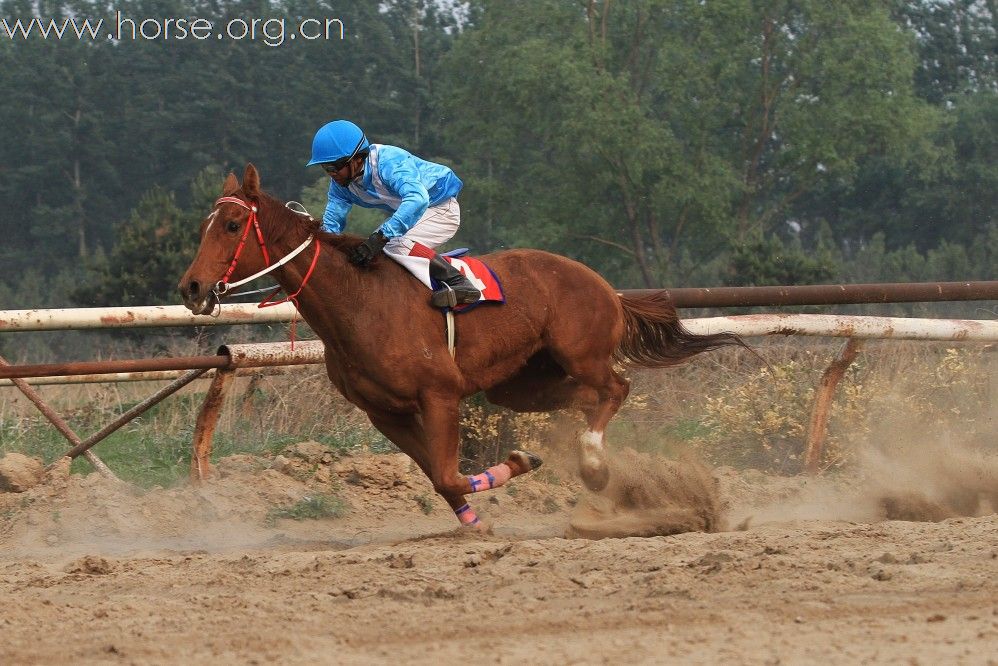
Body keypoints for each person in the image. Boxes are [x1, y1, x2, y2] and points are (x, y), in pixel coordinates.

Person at [307, 119, 481, 307]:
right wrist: (321, 254)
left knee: (393, 244)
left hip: (441, 208)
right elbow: (332, 226)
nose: (330, 173)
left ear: (357, 158)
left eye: (334, 167)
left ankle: (460, 283)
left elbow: (418, 199)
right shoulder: (341, 186)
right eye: (325, 168)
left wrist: (381, 237)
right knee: (378, 248)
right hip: (417, 213)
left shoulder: (388, 162)